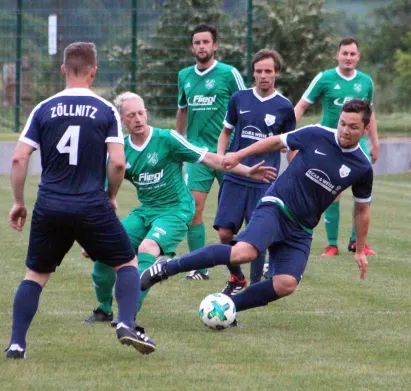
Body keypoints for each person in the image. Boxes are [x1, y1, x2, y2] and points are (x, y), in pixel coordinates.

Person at [141, 99, 374, 321]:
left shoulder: (362, 167)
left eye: (353, 127)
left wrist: (360, 250)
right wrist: (239, 155)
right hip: (277, 206)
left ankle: (229, 306)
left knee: (286, 284)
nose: (344, 130)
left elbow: (361, 209)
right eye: (342, 123)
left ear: (365, 129)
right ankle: (167, 268)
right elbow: (275, 142)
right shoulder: (316, 134)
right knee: (243, 252)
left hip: (302, 228)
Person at [5, 42, 156, 358]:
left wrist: (19, 202)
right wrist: (111, 196)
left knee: (35, 275)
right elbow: (117, 163)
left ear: (63, 70)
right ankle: (126, 322)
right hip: (91, 204)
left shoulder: (43, 108)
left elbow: (19, 159)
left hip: (50, 205)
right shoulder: (105, 111)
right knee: (126, 261)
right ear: (94, 72)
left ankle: (17, 343)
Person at [83, 92, 277, 325]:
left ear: (146, 113)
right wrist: (93, 236)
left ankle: (128, 315)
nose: (137, 119)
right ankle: (104, 309)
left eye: (141, 113)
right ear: (122, 121)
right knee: (105, 255)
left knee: (147, 248)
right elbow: (102, 196)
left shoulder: (167, 139)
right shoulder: (121, 151)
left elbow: (209, 159)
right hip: (146, 211)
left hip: (176, 211)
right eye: (131, 115)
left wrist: (246, 170)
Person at [214, 49, 296, 296]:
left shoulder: (284, 107)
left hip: (264, 180)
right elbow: (226, 132)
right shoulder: (239, 99)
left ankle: (255, 285)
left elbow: (290, 146)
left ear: (276, 73)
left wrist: (297, 171)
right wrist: (221, 156)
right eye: (259, 71)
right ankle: (237, 278)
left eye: (268, 71)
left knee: (256, 236)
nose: (263, 75)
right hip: (236, 176)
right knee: (225, 233)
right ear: (253, 73)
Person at [294, 37, 379, 257]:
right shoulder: (324, 79)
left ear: (358, 57)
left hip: (358, 145)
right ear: (337, 55)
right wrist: (289, 134)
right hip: (330, 145)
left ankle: (356, 242)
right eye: (345, 53)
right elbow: (302, 105)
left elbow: (370, 115)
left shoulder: (366, 82)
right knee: (333, 193)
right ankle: (331, 244)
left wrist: (375, 142)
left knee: (363, 195)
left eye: (353, 54)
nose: (349, 58)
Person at [176, 23, 246, 280]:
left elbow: (246, 107)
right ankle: (199, 268)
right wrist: (180, 145)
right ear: (192, 47)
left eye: (206, 42)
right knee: (193, 208)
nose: (201, 47)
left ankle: (259, 260)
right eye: (197, 42)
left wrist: (244, 148)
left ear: (215, 45)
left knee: (243, 212)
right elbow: (182, 110)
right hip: (198, 155)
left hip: (229, 154)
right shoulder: (184, 75)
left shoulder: (229, 74)